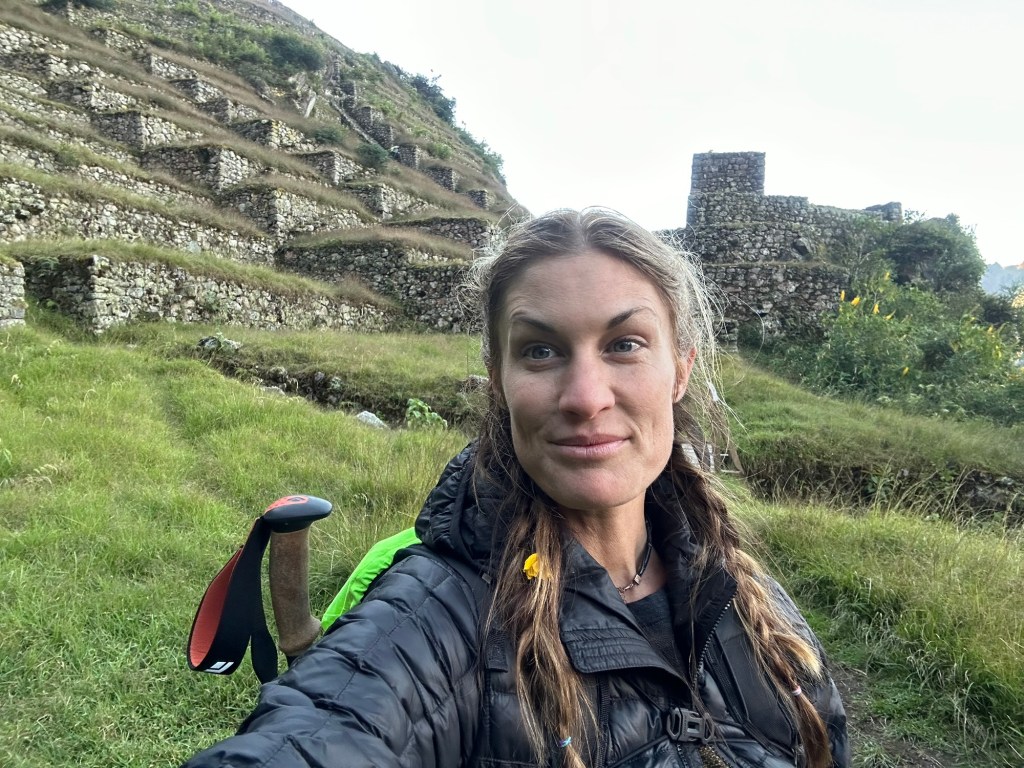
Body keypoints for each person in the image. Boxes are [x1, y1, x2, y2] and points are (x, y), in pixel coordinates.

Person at [183, 208, 849, 768]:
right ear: (497, 379)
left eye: (624, 344)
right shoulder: (438, 617)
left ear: (679, 369)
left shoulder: (745, 593)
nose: (586, 398)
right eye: (540, 350)